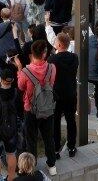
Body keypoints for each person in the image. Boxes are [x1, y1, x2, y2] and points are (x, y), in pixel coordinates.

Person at [14, 39, 57, 175]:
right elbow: (52, 83)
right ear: (44, 53)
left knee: (31, 139)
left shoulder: (26, 72)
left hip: (30, 110)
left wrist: (19, 69)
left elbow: (20, 87)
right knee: (48, 137)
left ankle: (31, 167)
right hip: (48, 108)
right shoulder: (52, 68)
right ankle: (52, 165)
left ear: (32, 54)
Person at [48, 32, 79, 158]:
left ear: (59, 45)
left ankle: (56, 149)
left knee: (55, 121)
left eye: (55, 41)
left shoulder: (52, 59)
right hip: (70, 93)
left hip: (56, 95)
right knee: (71, 120)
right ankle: (71, 147)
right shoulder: (74, 57)